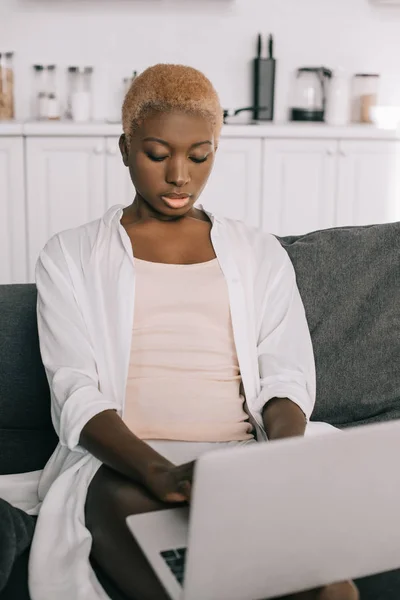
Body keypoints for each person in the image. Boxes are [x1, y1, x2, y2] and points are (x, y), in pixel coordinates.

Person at [29, 64, 359, 600]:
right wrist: (159, 472)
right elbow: (74, 391)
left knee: (326, 588)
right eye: (158, 155)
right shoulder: (69, 254)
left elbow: (286, 375)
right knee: (182, 579)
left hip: (240, 456)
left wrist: (276, 461)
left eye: (199, 156)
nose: (180, 175)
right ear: (124, 147)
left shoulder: (259, 253)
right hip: (127, 464)